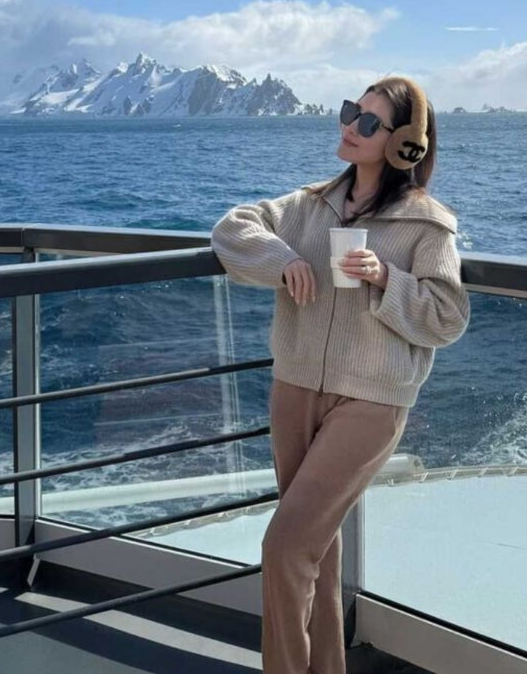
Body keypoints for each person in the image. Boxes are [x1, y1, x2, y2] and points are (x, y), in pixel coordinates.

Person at [210, 75, 470, 674]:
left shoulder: (428, 224)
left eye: (370, 122)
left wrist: (387, 278)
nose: (351, 125)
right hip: (295, 388)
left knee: (283, 548)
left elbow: (448, 316)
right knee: (315, 552)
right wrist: (283, 259)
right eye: (352, 111)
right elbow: (231, 229)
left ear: (405, 144)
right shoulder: (307, 204)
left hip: (371, 404)